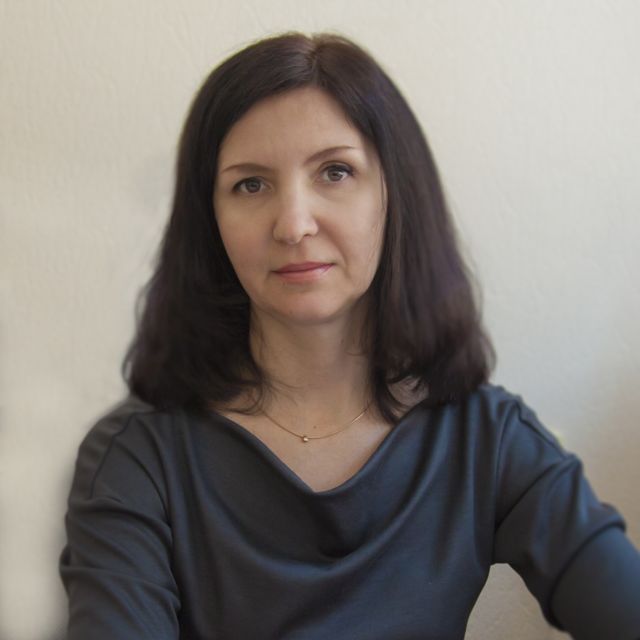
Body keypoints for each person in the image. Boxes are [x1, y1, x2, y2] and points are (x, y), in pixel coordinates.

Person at [58, 31, 640, 639]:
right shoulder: (136, 454)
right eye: (250, 184)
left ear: (394, 196)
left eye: (335, 172)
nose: (294, 224)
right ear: (210, 220)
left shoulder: (486, 436)